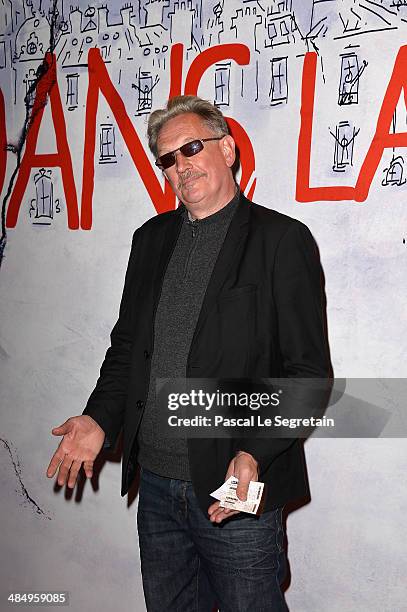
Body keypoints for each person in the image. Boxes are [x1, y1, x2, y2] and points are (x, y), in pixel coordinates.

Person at [46, 95, 331, 611]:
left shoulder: (281, 240)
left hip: (238, 486)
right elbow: (129, 349)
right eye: (168, 158)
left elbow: (307, 376)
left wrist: (254, 453)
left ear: (227, 149)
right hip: (155, 487)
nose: (180, 165)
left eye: (191, 148)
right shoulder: (150, 240)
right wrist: (98, 419)